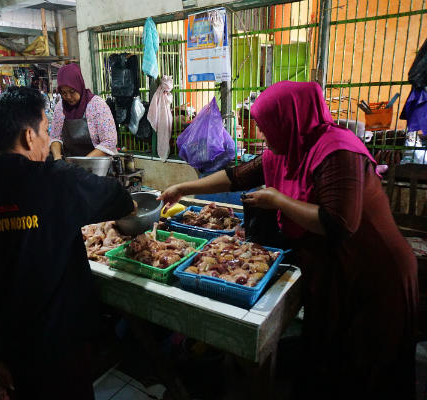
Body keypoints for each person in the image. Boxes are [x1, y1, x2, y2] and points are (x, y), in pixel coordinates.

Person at [159, 81, 418, 399]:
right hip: (332, 269)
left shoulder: (338, 150)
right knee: (329, 361)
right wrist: (184, 189)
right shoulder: (286, 150)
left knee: (368, 369)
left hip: (373, 274)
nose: (264, 135)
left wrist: (279, 201)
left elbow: (338, 224)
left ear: (290, 119)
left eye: (268, 127)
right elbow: (236, 176)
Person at [0, 87, 135, 400]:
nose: (49, 139)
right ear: (28, 137)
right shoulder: (56, 179)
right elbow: (120, 199)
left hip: (7, 350)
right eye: (47, 131)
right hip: (62, 346)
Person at [50, 64, 118, 159]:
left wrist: (84, 162)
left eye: (72, 91)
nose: (68, 97)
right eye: (64, 93)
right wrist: (57, 158)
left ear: (79, 86)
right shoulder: (60, 107)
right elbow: (55, 137)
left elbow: (109, 141)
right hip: (71, 167)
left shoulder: (97, 105)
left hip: (98, 166)